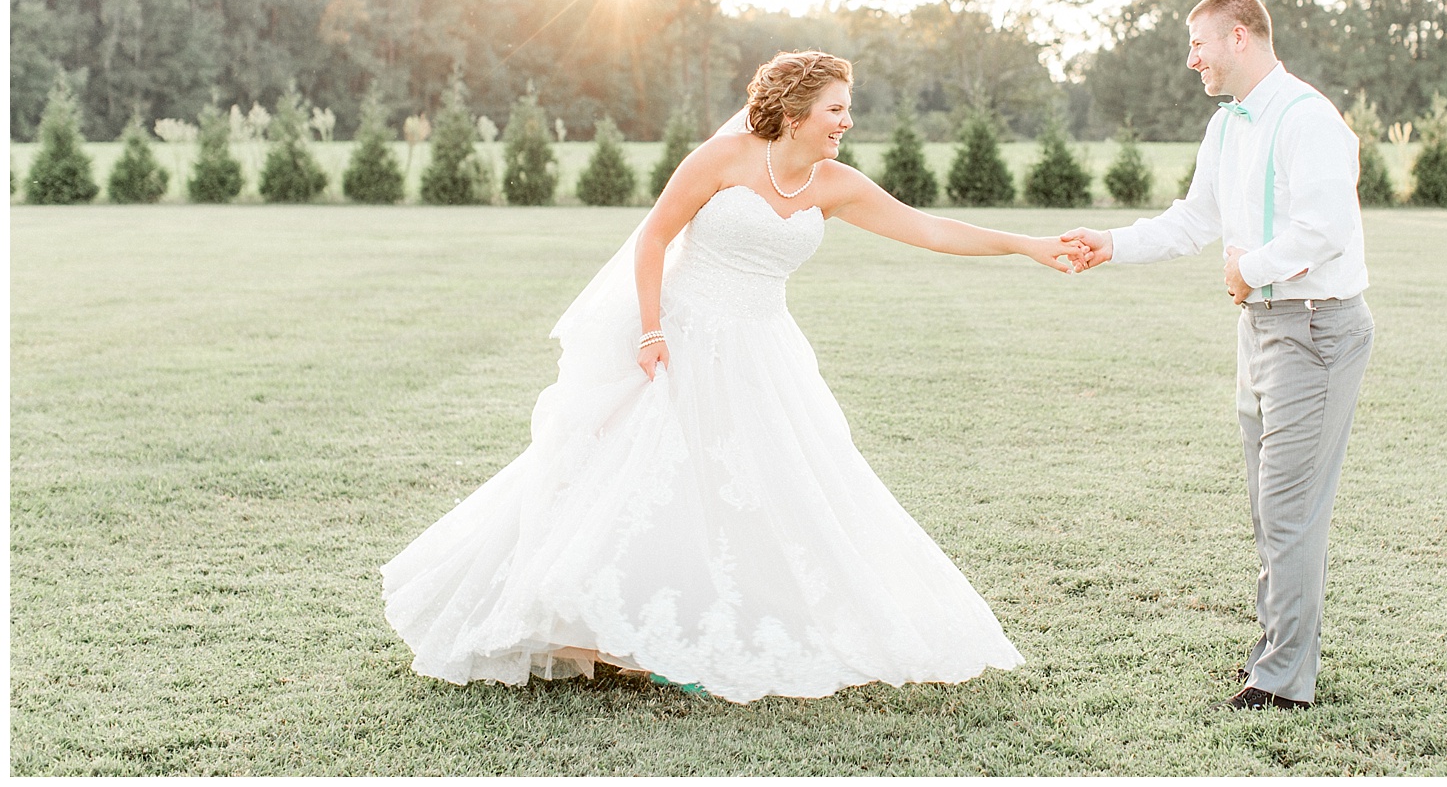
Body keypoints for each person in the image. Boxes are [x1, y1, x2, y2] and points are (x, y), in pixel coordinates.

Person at [382, 51, 1074, 703]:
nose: (848, 121)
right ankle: (589, 619)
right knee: (636, 475)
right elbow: (654, 236)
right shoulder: (723, 158)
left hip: (763, 352)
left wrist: (1027, 244)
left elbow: (929, 230)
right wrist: (651, 331)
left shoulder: (833, 183)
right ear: (797, 110)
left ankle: (706, 620)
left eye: (848, 108)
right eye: (838, 108)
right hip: (679, 337)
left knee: (760, 485)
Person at [1061, 0, 1373, 711]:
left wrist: (1247, 268)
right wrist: (1110, 244)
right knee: (1269, 508)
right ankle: (1279, 649)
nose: (1190, 58)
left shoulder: (1307, 118)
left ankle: (1283, 681)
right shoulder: (1226, 126)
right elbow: (1192, 219)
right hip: (1259, 328)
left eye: (1198, 43)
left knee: (1290, 507)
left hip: (1316, 327)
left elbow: (1323, 228)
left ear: (1240, 35)